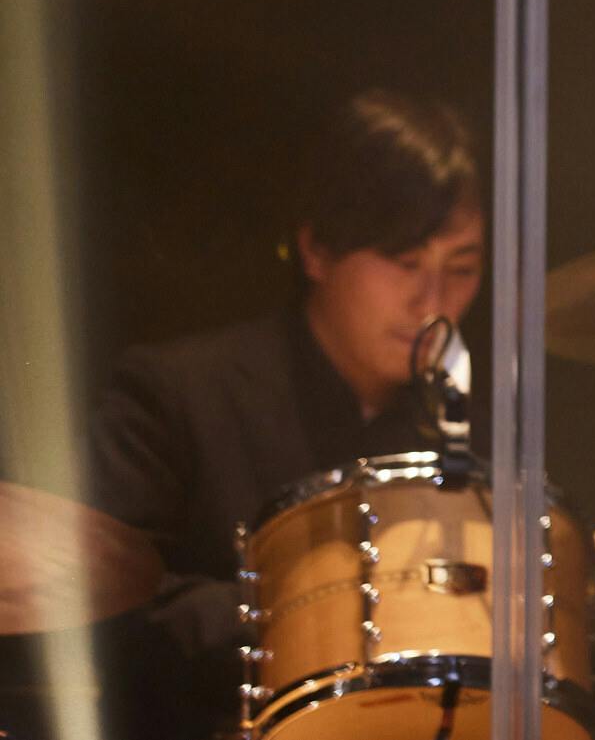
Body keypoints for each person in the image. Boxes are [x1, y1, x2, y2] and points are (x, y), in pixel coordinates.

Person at [92, 88, 485, 740]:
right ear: (316, 251)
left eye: (463, 268)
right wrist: (321, 618)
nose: (433, 300)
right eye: (406, 262)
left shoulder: (463, 427)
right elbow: (101, 601)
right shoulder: (177, 392)